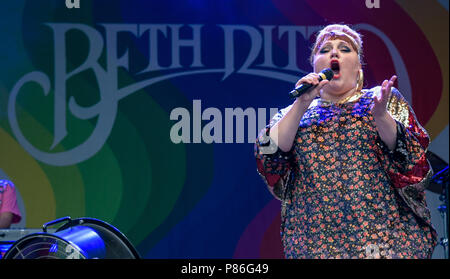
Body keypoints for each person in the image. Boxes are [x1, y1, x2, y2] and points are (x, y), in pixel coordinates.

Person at [254, 24, 437, 259]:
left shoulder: (381, 100)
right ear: (315, 65)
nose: (334, 53)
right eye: (325, 49)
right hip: (315, 244)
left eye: (344, 48)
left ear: (358, 66)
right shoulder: (295, 112)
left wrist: (381, 117)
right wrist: (301, 103)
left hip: (382, 241)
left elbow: (414, 165)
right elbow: (267, 157)